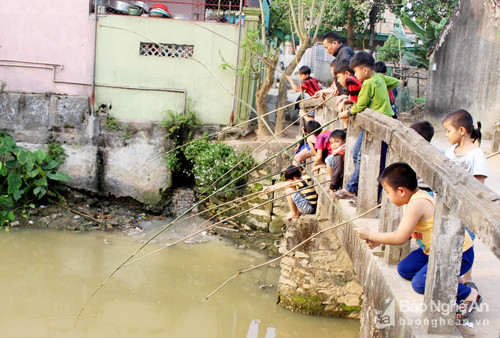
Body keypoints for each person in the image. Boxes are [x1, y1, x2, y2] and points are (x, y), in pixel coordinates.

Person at [355, 162, 480, 320]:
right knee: (405, 269)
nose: (386, 196)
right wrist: (380, 241)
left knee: (420, 284)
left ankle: (469, 293)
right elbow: (407, 233)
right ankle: (454, 279)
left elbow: (400, 237)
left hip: (458, 254)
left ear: (401, 191)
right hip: (433, 251)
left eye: (387, 192)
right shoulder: (412, 199)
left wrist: (371, 234)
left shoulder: (418, 203)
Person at [335, 52, 399, 200]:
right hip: (383, 120)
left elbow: (361, 105)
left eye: (356, 71)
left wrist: (348, 113)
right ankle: (357, 188)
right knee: (357, 152)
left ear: (365, 70)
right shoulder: (380, 78)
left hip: (378, 124)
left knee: (373, 160)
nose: (355, 75)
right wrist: (381, 88)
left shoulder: (369, 83)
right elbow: (395, 82)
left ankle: (355, 190)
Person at [443, 109, 488, 288]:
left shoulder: (477, 155)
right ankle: (453, 275)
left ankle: (467, 279)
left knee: (466, 243)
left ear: (461, 130)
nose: (446, 135)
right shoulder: (448, 152)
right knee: (450, 239)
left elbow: (479, 185)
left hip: (468, 208)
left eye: (448, 131)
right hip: (449, 205)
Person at [333, 59, 362, 124]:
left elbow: (357, 104)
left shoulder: (350, 81)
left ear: (347, 74)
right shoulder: (355, 79)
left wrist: (347, 113)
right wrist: (344, 102)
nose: (338, 81)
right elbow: (353, 99)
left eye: (339, 77)